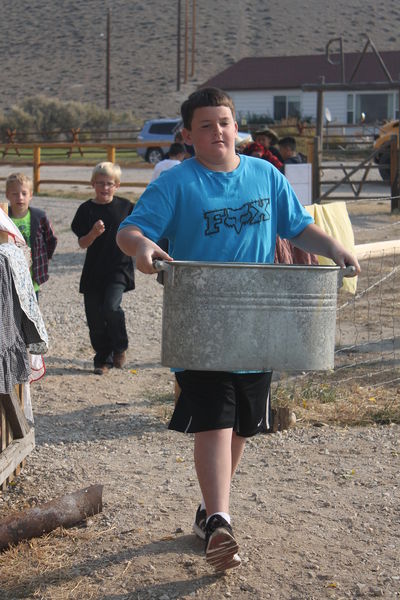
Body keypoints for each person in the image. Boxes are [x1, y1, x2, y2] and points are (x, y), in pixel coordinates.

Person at [116, 87, 360, 572]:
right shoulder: (178, 183)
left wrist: (333, 246)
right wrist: (142, 249)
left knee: (243, 425)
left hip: (258, 324)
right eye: (205, 125)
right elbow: (131, 230)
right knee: (215, 419)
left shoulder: (265, 175)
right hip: (200, 322)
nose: (217, 132)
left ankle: (210, 509)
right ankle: (222, 522)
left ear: (236, 128)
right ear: (187, 135)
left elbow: (296, 227)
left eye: (224, 122)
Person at [71, 162, 134, 375]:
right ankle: (103, 359)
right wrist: (93, 233)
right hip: (93, 271)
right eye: (100, 183)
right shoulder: (86, 210)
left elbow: (140, 231)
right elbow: (82, 243)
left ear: (117, 185)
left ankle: (120, 347)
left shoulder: (126, 207)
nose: (104, 187)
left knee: (111, 307)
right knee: (95, 319)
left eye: (109, 184)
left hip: (119, 268)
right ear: (92, 184)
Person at [6, 172, 57, 302]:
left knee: (30, 316)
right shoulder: (3, 218)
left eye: (24, 193)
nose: (20, 198)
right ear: (7, 195)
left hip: (31, 279)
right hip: (8, 278)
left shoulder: (39, 217)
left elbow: (51, 240)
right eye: (15, 194)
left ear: (31, 195)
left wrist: (44, 258)